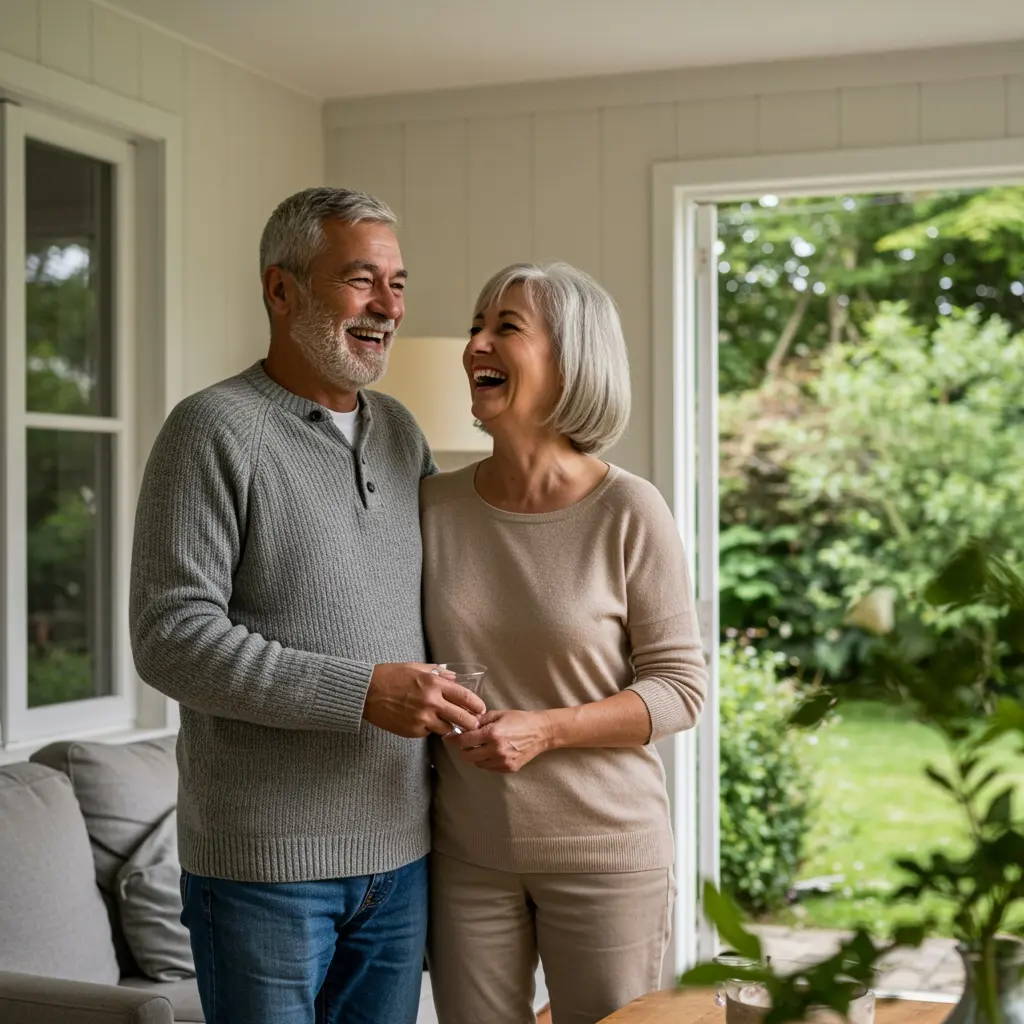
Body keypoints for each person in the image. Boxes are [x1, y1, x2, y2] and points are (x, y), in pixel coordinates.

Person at [129, 187, 485, 1024]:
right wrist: (360, 692)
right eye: (361, 280)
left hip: (402, 855)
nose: (387, 307)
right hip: (263, 868)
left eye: (397, 283)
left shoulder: (402, 432)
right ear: (280, 289)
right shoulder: (211, 428)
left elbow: (439, 601)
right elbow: (171, 637)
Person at [421, 262, 708, 1024]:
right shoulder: (434, 504)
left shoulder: (629, 509)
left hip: (606, 854)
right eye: (477, 324)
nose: (476, 342)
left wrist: (546, 728)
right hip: (467, 856)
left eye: (505, 327)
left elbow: (682, 691)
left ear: (571, 360)